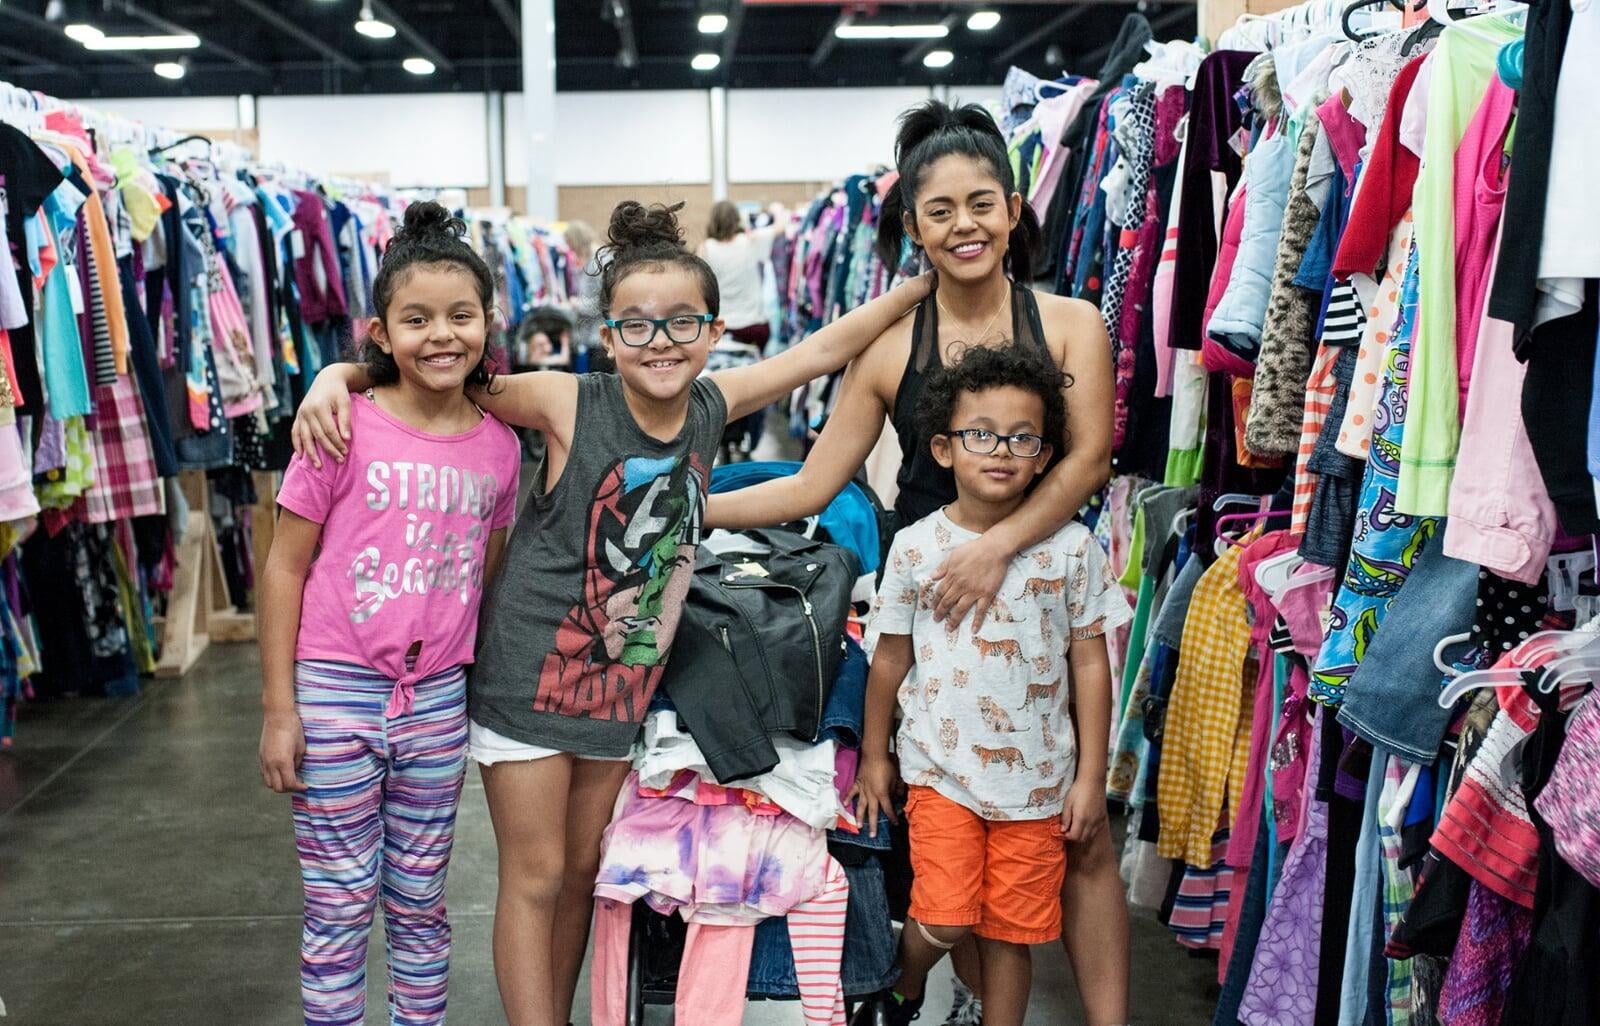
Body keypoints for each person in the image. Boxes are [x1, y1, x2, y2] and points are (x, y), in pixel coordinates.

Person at [291, 199, 932, 1026]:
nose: (660, 341)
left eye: (681, 324)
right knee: (535, 874)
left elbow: (820, 350)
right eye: (637, 325)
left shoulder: (710, 407)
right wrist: (334, 375)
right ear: (608, 338)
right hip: (528, 676)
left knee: (582, 872)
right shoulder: (566, 402)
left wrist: (924, 285)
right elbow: (446, 367)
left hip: (620, 688)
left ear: (715, 331)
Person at [706, 99, 1131, 1026]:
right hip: (933, 599)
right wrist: (691, 509)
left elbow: (1090, 458)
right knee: (956, 819)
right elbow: (813, 485)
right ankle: (966, 996)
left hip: (1049, 590)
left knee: (1078, 825)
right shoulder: (891, 346)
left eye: (982, 203)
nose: (964, 225)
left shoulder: (1069, 324)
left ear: (1015, 210)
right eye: (940, 211)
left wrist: (999, 545)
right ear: (913, 227)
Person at [257, 201, 523, 1026]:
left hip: (437, 702)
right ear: (380, 330)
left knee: (420, 903)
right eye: (416, 319)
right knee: (338, 911)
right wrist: (278, 710)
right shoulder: (339, 426)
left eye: (460, 316)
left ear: (488, 322)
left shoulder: (500, 445)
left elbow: (486, 570)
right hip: (334, 694)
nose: (441, 335)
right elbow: (283, 565)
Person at [853, 344, 1131, 1026]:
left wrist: (1090, 777)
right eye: (981, 434)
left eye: (1022, 438)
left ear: (1044, 456)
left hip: (1037, 786)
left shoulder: (1072, 550)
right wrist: (873, 755)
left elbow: (1091, 664)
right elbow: (887, 658)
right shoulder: (917, 547)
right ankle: (905, 979)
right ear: (945, 449)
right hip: (939, 772)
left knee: (1013, 931)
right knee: (945, 917)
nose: (1001, 450)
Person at [698, 200, 786, 458]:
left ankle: (724, 434)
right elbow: (781, 228)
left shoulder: (706, 249)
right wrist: (776, 212)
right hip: (753, 329)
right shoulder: (751, 241)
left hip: (721, 329)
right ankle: (749, 432)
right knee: (753, 382)